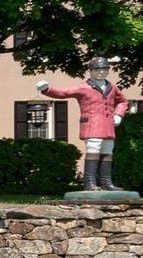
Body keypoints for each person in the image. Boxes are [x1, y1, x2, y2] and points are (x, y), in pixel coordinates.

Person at [37, 57, 130, 191]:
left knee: (107, 151)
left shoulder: (113, 87)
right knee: (93, 150)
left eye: (104, 69)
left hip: (108, 125)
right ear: (90, 71)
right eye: (97, 69)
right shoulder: (83, 87)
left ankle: (106, 183)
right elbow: (64, 93)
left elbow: (123, 101)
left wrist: (118, 115)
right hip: (92, 125)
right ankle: (90, 183)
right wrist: (47, 89)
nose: (101, 72)